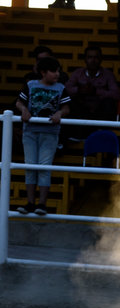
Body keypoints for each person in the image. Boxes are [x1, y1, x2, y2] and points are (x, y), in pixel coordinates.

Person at [15, 56, 71, 216]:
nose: (57, 74)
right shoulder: (30, 85)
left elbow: (67, 107)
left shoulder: (61, 88)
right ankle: (30, 203)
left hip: (50, 133)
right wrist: (24, 110)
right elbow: (19, 102)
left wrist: (60, 112)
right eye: (54, 71)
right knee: (30, 166)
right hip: (30, 132)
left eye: (58, 71)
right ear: (43, 72)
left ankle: (42, 204)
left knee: (44, 167)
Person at [64, 45, 120, 139]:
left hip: (100, 111)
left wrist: (96, 91)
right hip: (82, 110)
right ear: (85, 59)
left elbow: (116, 94)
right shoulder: (77, 73)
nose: (93, 60)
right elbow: (66, 89)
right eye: (90, 57)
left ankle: (102, 133)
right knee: (71, 102)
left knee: (109, 102)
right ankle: (77, 134)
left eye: (96, 57)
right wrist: (79, 90)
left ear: (101, 59)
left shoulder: (108, 75)